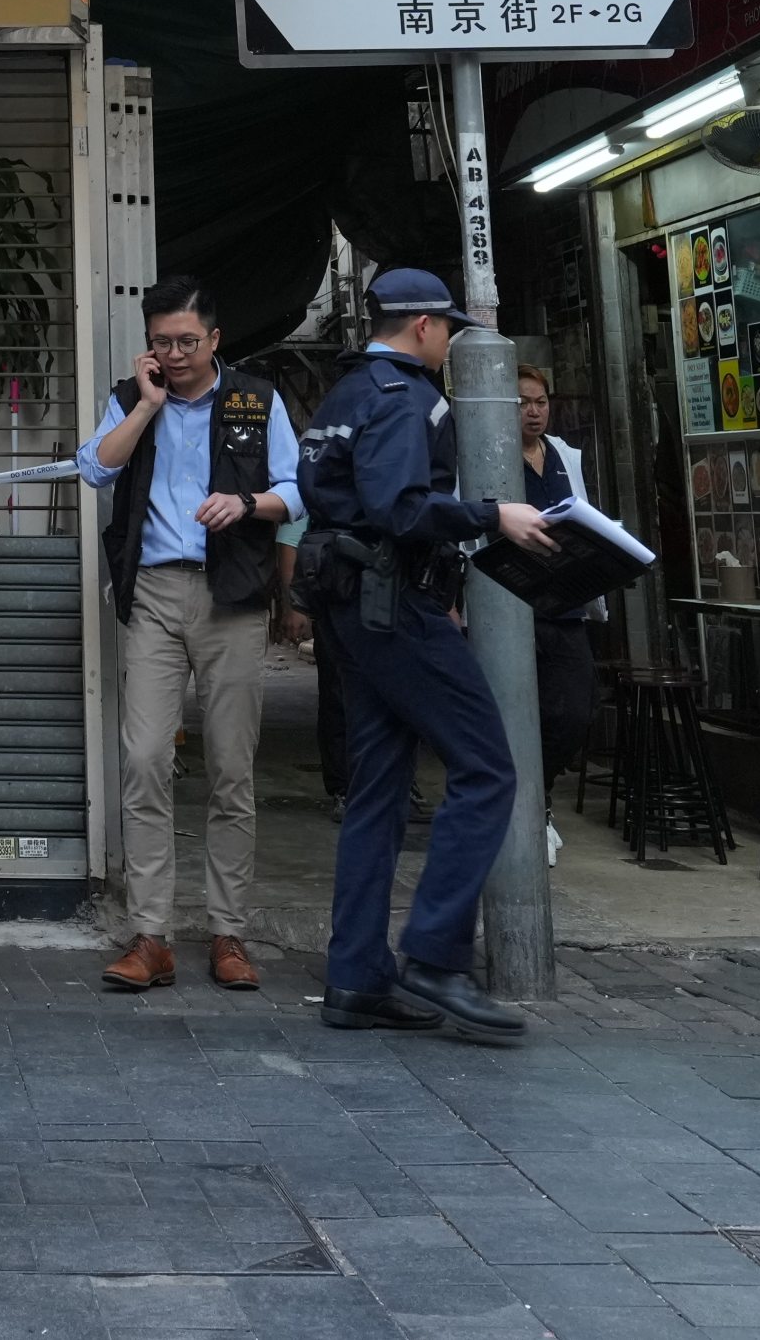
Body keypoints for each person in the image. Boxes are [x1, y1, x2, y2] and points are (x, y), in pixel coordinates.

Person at [301, 269, 549, 1044]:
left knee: (376, 791)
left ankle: (355, 979)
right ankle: (436, 958)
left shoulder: (345, 392)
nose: (446, 342)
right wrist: (492, 514)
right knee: (486, 768)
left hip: (352, 601)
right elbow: (398, 505)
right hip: (394, 600)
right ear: (421, 328)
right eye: (444, 329)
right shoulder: (407, 395)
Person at [75, 277, 299, 995]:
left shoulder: (255, 399)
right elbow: (93, 467)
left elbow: (298, 489)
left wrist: (246, 502)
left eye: (185, 342)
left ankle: (227, 932)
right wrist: (144, 405)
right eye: (160, 342)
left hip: (231, 596)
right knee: (143, 760)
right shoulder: (132, 395)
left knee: (231, 770)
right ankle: (150, 936)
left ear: (213, 340)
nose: (172, 355)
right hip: (154, 593)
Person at [518, 363, 604, 841]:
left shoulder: (564, 456)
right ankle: (528, 813)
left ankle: (538, 794)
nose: (533, 412)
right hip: (510, 603)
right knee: (516, 711)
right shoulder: (487, 455)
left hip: (565, 600)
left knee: (573, 711)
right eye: (522, 403)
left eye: (540, 402)